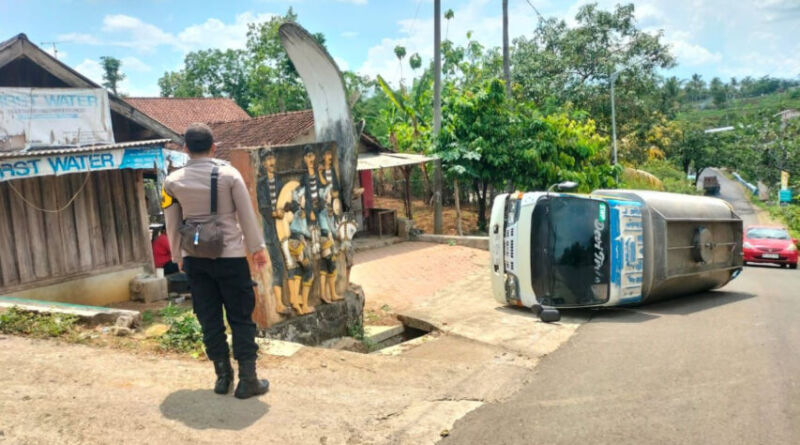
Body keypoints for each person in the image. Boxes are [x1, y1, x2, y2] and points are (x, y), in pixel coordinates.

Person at [162, 123, 270, 400]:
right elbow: (246, 214)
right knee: (241, 319)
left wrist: (178, 256)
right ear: (214, 146)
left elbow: (171, 222)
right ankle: (248, 380)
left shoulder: (172, 182)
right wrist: (257, 248)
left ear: (185, 149)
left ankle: (222, 377)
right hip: (231, 258)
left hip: (195, 259)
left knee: (209, 318)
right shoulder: (229, 175)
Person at [255, 147, 291, 316]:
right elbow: (262, 206)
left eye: (272, 158)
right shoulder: (261, 184)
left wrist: (287, 208)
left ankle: (291, 300)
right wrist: (273, 212)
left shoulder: (280, 181)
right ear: (263, 163)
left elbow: (288, 200)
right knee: (277, 264)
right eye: (267, 159)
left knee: (289, 263)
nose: (271, 162)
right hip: (271, 230)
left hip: (284, 228)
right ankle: (278, 303)